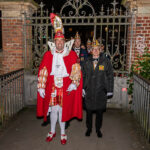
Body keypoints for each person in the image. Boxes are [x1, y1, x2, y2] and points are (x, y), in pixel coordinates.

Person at [36, 13, 83, 145]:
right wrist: (40, 86)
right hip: (52, 85)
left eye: (62, 41)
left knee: (63, 110)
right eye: (57, 41)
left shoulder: (72, 54)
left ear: (65, 42)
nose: (60, 43)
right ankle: (52, 131)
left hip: (65, 85)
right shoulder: (47, 55)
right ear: (54, 42)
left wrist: (74, 83)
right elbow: (43, 71)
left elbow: (76, 70)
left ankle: (63, 132)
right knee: (54, 109)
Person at [82, 37, 114, 138]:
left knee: (100, 113)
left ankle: (98, 129)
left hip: (101, 91)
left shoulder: (106, 61)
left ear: (100, 50)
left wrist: (109, 90)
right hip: (89, 91)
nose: (95, 50)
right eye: (93, 49)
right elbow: (83, 75)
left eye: (97, 49)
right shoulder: (86, 61)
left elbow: (110, 76)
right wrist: (82, 88)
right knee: (89, 112)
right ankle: (89, 129)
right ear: (91, 51)